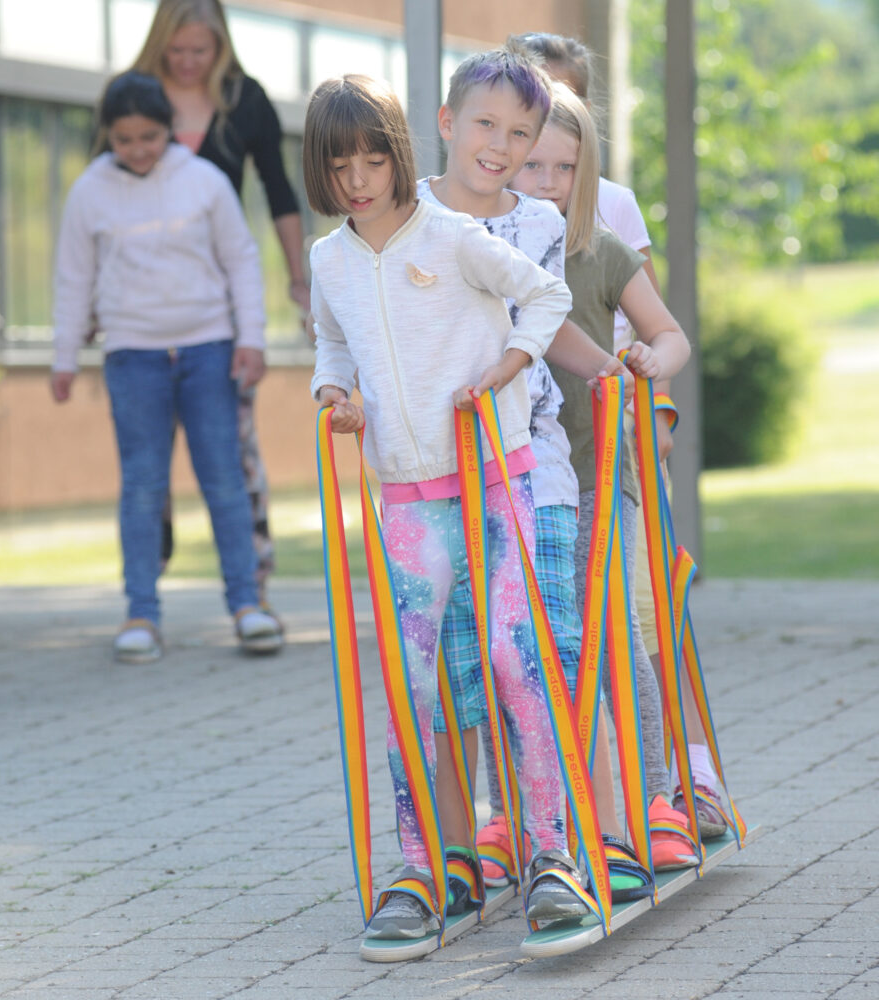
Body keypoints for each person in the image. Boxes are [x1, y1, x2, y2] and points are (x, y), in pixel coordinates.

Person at [304, 72, 586, 940]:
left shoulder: (454, 235)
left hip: (495, 476)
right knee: (407, 677)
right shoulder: (328, 259)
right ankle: (424, 867)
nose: (359, 177)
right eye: (341, 162)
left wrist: (512, 362)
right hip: (407, 497)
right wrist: (333, 394)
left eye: (374, 157)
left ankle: (552, 857)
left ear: (399, 154)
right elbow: (333, 342)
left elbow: (547, 296)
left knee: (512, 655)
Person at [419, 44, 653, 907]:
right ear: (447, 124)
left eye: (520, 132)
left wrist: (611, 372)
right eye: (487, 124)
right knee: (454, 679)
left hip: (532, 467)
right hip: (439, 478)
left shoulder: (543, 225)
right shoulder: (406, 222)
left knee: (547, 659)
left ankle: (577, 842)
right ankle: (456, 854)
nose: (503, 145)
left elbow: (547, 323)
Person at [514, 32, 729, 839]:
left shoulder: (598, 249)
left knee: (628, 624)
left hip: (605, 469)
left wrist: (646, 368)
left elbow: (667, 333)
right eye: (531, 161)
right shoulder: (480, 247)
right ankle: (546, 810)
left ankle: (660, 795)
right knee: (531, 640)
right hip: (522, 473)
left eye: (563, 168)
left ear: (585, 174)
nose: (545, 179)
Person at [50, 71, 283, 661]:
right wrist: (63, 357)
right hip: (133, 357)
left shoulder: (204, 181)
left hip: (208, 350)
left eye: (149, 137)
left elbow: (241, 261)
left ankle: (247, 605)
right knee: (143, 487)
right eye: (125, 139)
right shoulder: (89, 191)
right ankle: (141, 615)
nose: (138, 150)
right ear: (109, 135)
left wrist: (249, 340)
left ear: (170, 129)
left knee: (225, 482)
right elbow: (73, 276)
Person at [128, 0, 310, 625]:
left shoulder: (242, 99)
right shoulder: (135, 94)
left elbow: (278, 191)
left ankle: (252, 582)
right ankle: (143, 589)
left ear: (221, 46)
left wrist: (298, 279)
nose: (186, 63)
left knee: (234, 448)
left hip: (216, 306)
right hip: (142, 306)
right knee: (146, 459)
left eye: (199, 52)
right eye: (176, 50)